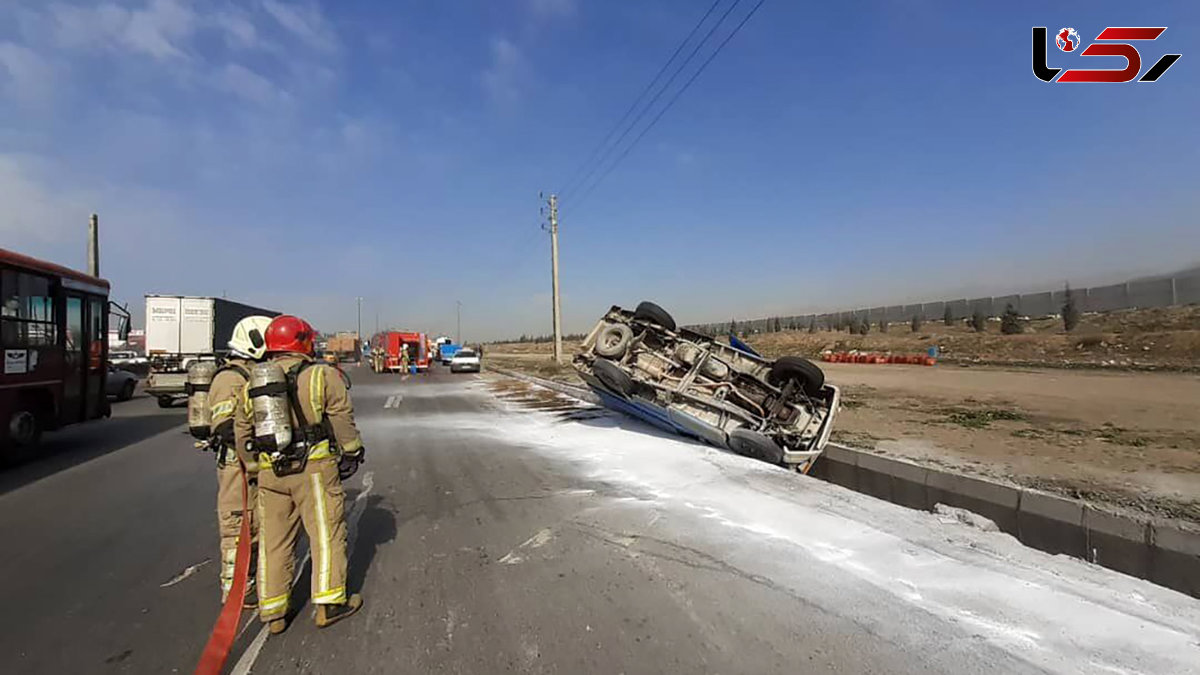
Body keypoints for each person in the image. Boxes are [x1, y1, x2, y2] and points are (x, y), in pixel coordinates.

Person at [252, 315, 366, 633]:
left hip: (269, 471)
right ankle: (329, 604)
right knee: (326, 534)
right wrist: (353, 450)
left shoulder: (257, 379)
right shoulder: (321, 375)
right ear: (303, 341)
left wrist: (253, 467)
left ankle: (273, 612)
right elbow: (341, 417)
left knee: (274, 541)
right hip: (312, 468)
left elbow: (243, 426)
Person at [207, 315, 273, 608]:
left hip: (254, 464)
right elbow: (224, 426)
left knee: (258, 523)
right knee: (238, 526)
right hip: (236, 467)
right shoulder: (229, 378)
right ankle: (236, 590)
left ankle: (255, 579)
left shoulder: (251, 374)